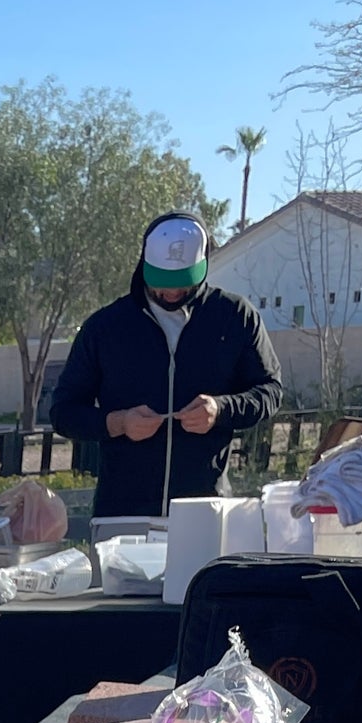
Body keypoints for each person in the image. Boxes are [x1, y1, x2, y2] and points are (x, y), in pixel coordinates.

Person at [50, 212, 281, 521]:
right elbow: (63, 412)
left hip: (204, 509)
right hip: (122, 513)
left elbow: (269, 391)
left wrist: (221, 409)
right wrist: (119, 423)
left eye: (183, 282)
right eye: (162, 281)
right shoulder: (105, 327)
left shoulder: (236, 316)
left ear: (203, 265)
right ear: (143, 265)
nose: (172, 293)